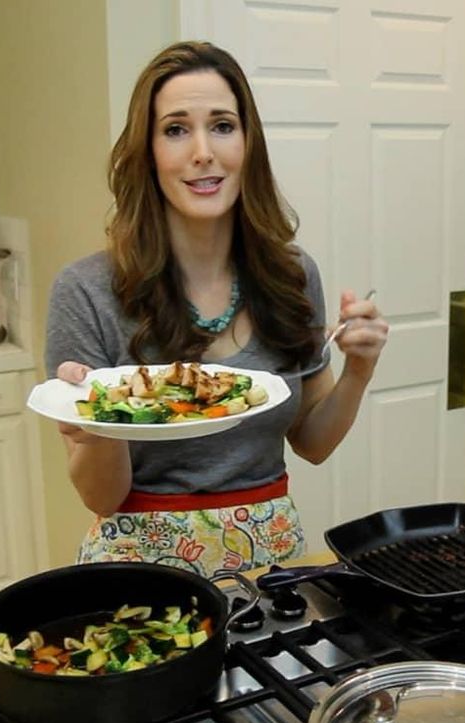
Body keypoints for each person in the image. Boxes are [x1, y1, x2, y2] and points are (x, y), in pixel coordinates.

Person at [45, 41, 388, 577]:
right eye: (176, 129)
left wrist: (359, 371)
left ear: (248, 144)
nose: (203, 151)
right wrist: (98, 427)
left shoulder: (292, 274)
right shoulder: (86, 290)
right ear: (148, 150)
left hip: (271, 563)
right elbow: (101, 497)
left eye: (223, 125)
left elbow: (312, 443)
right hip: (140, 571)